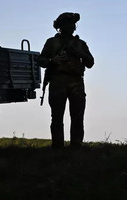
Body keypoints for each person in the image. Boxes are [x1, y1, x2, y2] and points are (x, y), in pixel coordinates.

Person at [38, 12, 94, 149]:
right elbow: (41, 60)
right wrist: (53, 61)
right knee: (57, 117)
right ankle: (57, 147)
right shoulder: (52, 42)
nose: (72, 26)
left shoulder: (80, 44)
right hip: (58, 80)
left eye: (73, 24)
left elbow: (91, 62)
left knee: (77, 116)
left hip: (76, 81)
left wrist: (81, 54)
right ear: (61, 26)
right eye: (69, 24)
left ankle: (76, 146)